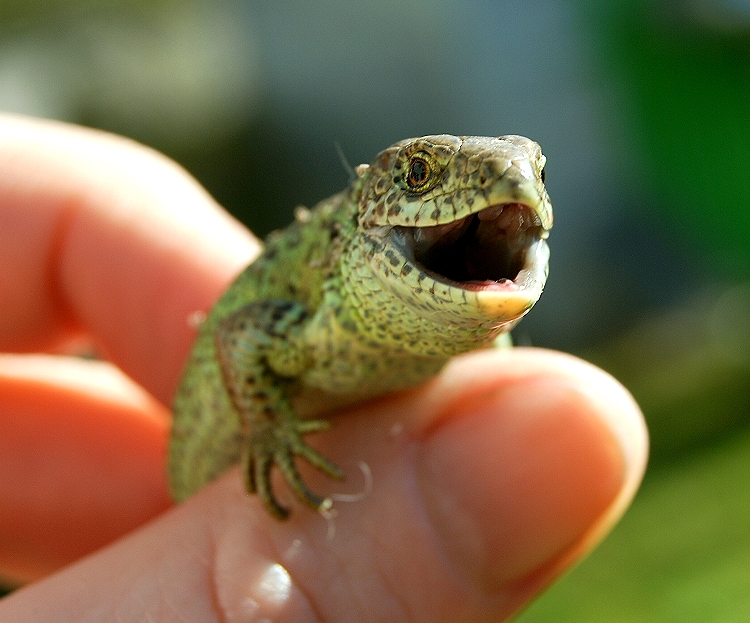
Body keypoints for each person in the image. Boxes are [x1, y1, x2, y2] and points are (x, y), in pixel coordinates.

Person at [0, 114, 647, 622]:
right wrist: (270, 428)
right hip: (202, 479)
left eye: (535, 173)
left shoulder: (463, 329)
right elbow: (241, 335)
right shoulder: (324, 312)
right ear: (368, 208)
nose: (516, 183)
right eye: (420, 174)